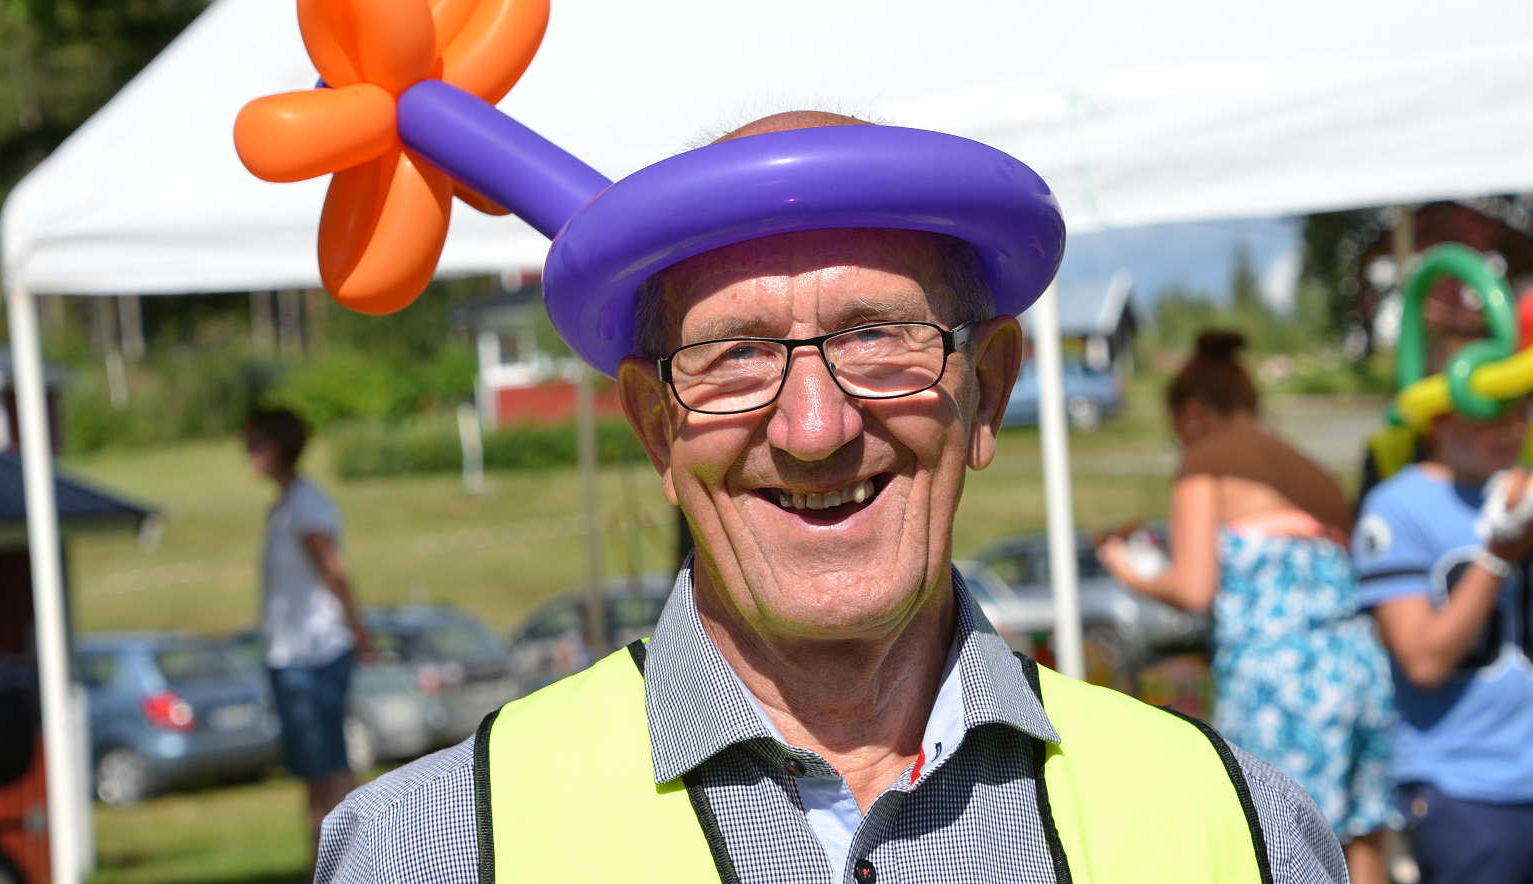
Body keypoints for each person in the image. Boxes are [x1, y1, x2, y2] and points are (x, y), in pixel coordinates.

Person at [315, 113, 1346, 883]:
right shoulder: (434, 849)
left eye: (875, 336)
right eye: (734, 353)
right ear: (655, 427)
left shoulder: (1236, 827)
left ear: (987, 390)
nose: (814, 428)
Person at [1098, 331, 1393, 884]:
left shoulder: (1206, 461)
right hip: (1358, 667)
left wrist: (1126, 569)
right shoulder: (1307, 469)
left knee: (1284, 847)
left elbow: (1195, 589)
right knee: (1361, 841)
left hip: (1282, 680)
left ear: (1193, 413)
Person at [1352, 330, 1533, 883]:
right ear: (1439, 418)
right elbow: (1423, 660)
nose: (1513, 429)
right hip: (1465, 788)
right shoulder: (1396, 508)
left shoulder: (1521, 488)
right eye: (1491, 413)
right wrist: (1497, 557)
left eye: (1520, 411)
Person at [244, 406, 373, 862]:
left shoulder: (306, 505)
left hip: (315, 656)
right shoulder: (284, 507)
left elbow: (334, 572)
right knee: (314, 774)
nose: (247, 453)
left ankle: (355, 864)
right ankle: (322, 865)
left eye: (256, 444)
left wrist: (359, 632)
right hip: (292, 657)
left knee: (331, 772)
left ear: (280, 447)